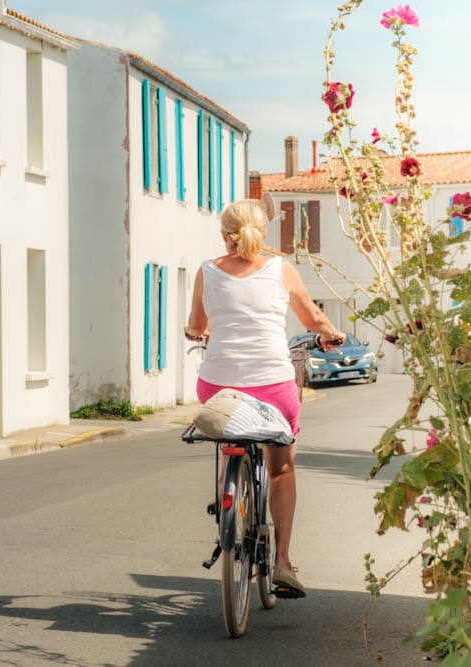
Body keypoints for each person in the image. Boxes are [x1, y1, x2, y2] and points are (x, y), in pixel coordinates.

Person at [184, 198, 347, 599]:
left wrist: (197, 333)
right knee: (281, 470)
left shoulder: (207, 272)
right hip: (273, 387)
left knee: (231, 433)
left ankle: (229, 500)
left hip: (217, 386)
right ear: (263, 233)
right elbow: (313, 319)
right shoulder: (282, 270)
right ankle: (283, 563)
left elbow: (195, 325)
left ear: (225, 235)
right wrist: (330, 334)